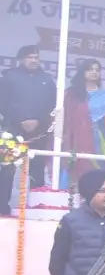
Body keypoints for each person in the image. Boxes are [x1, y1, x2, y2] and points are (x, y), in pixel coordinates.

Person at [0, 44, 55, 214]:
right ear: (21, 59)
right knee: (7, 168)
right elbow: (3, 102)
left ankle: (36, 208)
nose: (34, 60)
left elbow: (52, 104)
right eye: (30, 57)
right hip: (13, 130)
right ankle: (2, 206)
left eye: (36, 57)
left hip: (39, 132)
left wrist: (38, 121)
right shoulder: (9, 76)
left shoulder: (46, 79)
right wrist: (21, 120)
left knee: (37, 169)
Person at [60, 58, 105, 182]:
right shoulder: (71, 94)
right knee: (72, 173)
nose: (94, 72)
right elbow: (65, 119)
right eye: (90, 69)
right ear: (82, 72)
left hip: (97, 143)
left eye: (97, 70)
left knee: (95, 174)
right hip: (75, 141)